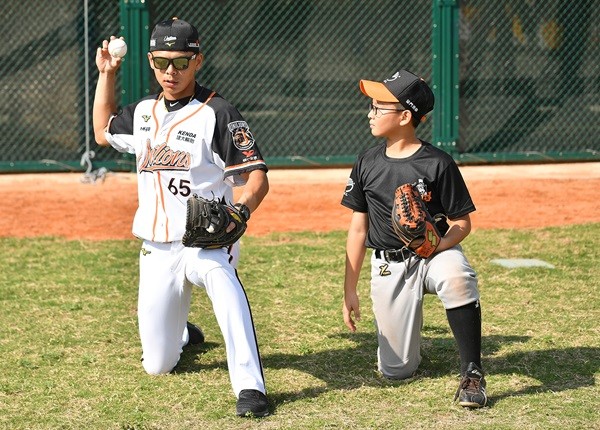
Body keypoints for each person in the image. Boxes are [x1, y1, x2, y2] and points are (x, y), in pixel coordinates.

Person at [92, 18, 270, 418]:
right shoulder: (142, 112)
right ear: (152, 62)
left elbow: (257, 174)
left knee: (225, 289)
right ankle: (183, 334)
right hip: (156, 246)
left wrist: (240, 211)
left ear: (197, 61)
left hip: (206, 238)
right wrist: (106, 75)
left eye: (181, 62)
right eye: (161, 61)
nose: (171, 71)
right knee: (157, 365)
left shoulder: (218, 113)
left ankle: (250, 388)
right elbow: (102, 132)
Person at [341, 69, 487, 408]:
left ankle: (472, 373)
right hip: (389, 265)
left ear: (405, 116)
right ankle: (408, 345)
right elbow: (358, 228)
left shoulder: (438, 162)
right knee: (396, 370)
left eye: (379, 107)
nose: (370, 113)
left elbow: (462, 223)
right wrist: (350, 288)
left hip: (434, 256)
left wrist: (436, 245)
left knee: (458, 277)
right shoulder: (367, 162)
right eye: (372, 106)